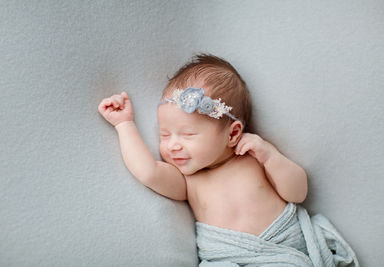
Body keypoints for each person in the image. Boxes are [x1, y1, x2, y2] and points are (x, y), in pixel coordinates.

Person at [98, 54, 359, 266]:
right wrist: (124, 125)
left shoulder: (253, 159)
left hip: (282, 248)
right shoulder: (188, 180)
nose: (172, 144)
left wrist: (271, 156)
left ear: (232, 134)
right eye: (165, 135)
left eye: (188, 134)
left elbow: (298, 192)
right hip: (231, 257)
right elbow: (148, 172)